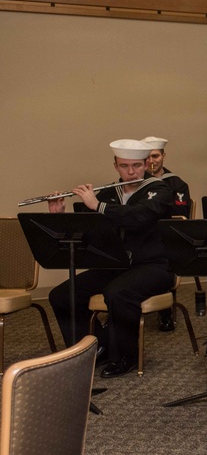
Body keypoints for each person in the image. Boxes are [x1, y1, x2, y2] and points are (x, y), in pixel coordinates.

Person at [47, 139, 174, 377]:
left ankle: (126, 355)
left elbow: (138, 217)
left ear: (146, 163)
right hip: (116, 265)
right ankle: (95, 346)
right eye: (124, 166)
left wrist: (99, 206)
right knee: (61, 295)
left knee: (117, 292)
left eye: (136, 166)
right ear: (115, 165)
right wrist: (59, 215)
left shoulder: (159, 191)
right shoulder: (108, 194)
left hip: (154, 266)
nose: (131, 171)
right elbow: (85, 231)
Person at [141, 136, 191, 333]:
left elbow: (181, 217)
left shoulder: (177, 184)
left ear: (163, 156)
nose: (152, 161)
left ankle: (165, 311)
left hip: (166, 239)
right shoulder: (136, 182)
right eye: (148, 157)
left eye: (155, 156)